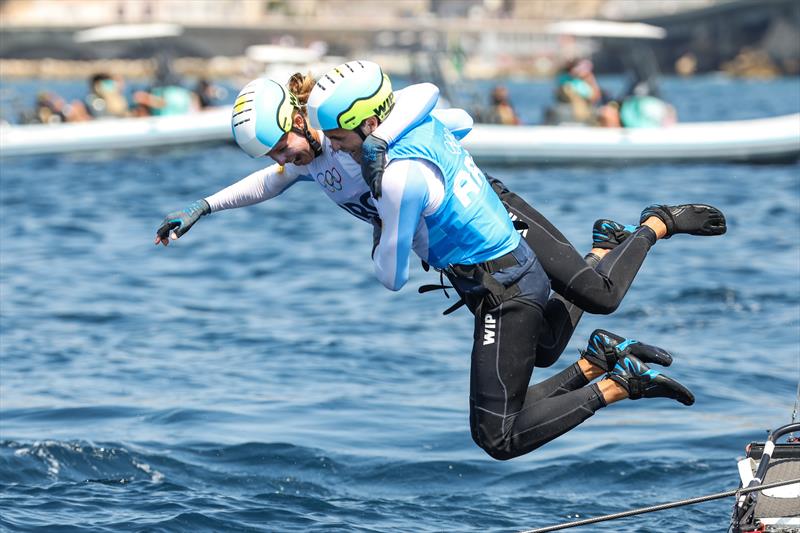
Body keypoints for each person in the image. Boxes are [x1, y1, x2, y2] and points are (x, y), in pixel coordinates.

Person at [305, 61, 726, 459]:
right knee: (541, 352)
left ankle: (655, 225)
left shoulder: (397, 158)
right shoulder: (356, 148)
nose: (333, 147)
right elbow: (277, 177)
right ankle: (602, 295)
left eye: (337, 138)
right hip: (487, 267)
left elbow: (436, 107)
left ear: (371, 123)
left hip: (499, 233)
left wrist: (383, 222)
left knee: (600, 295)